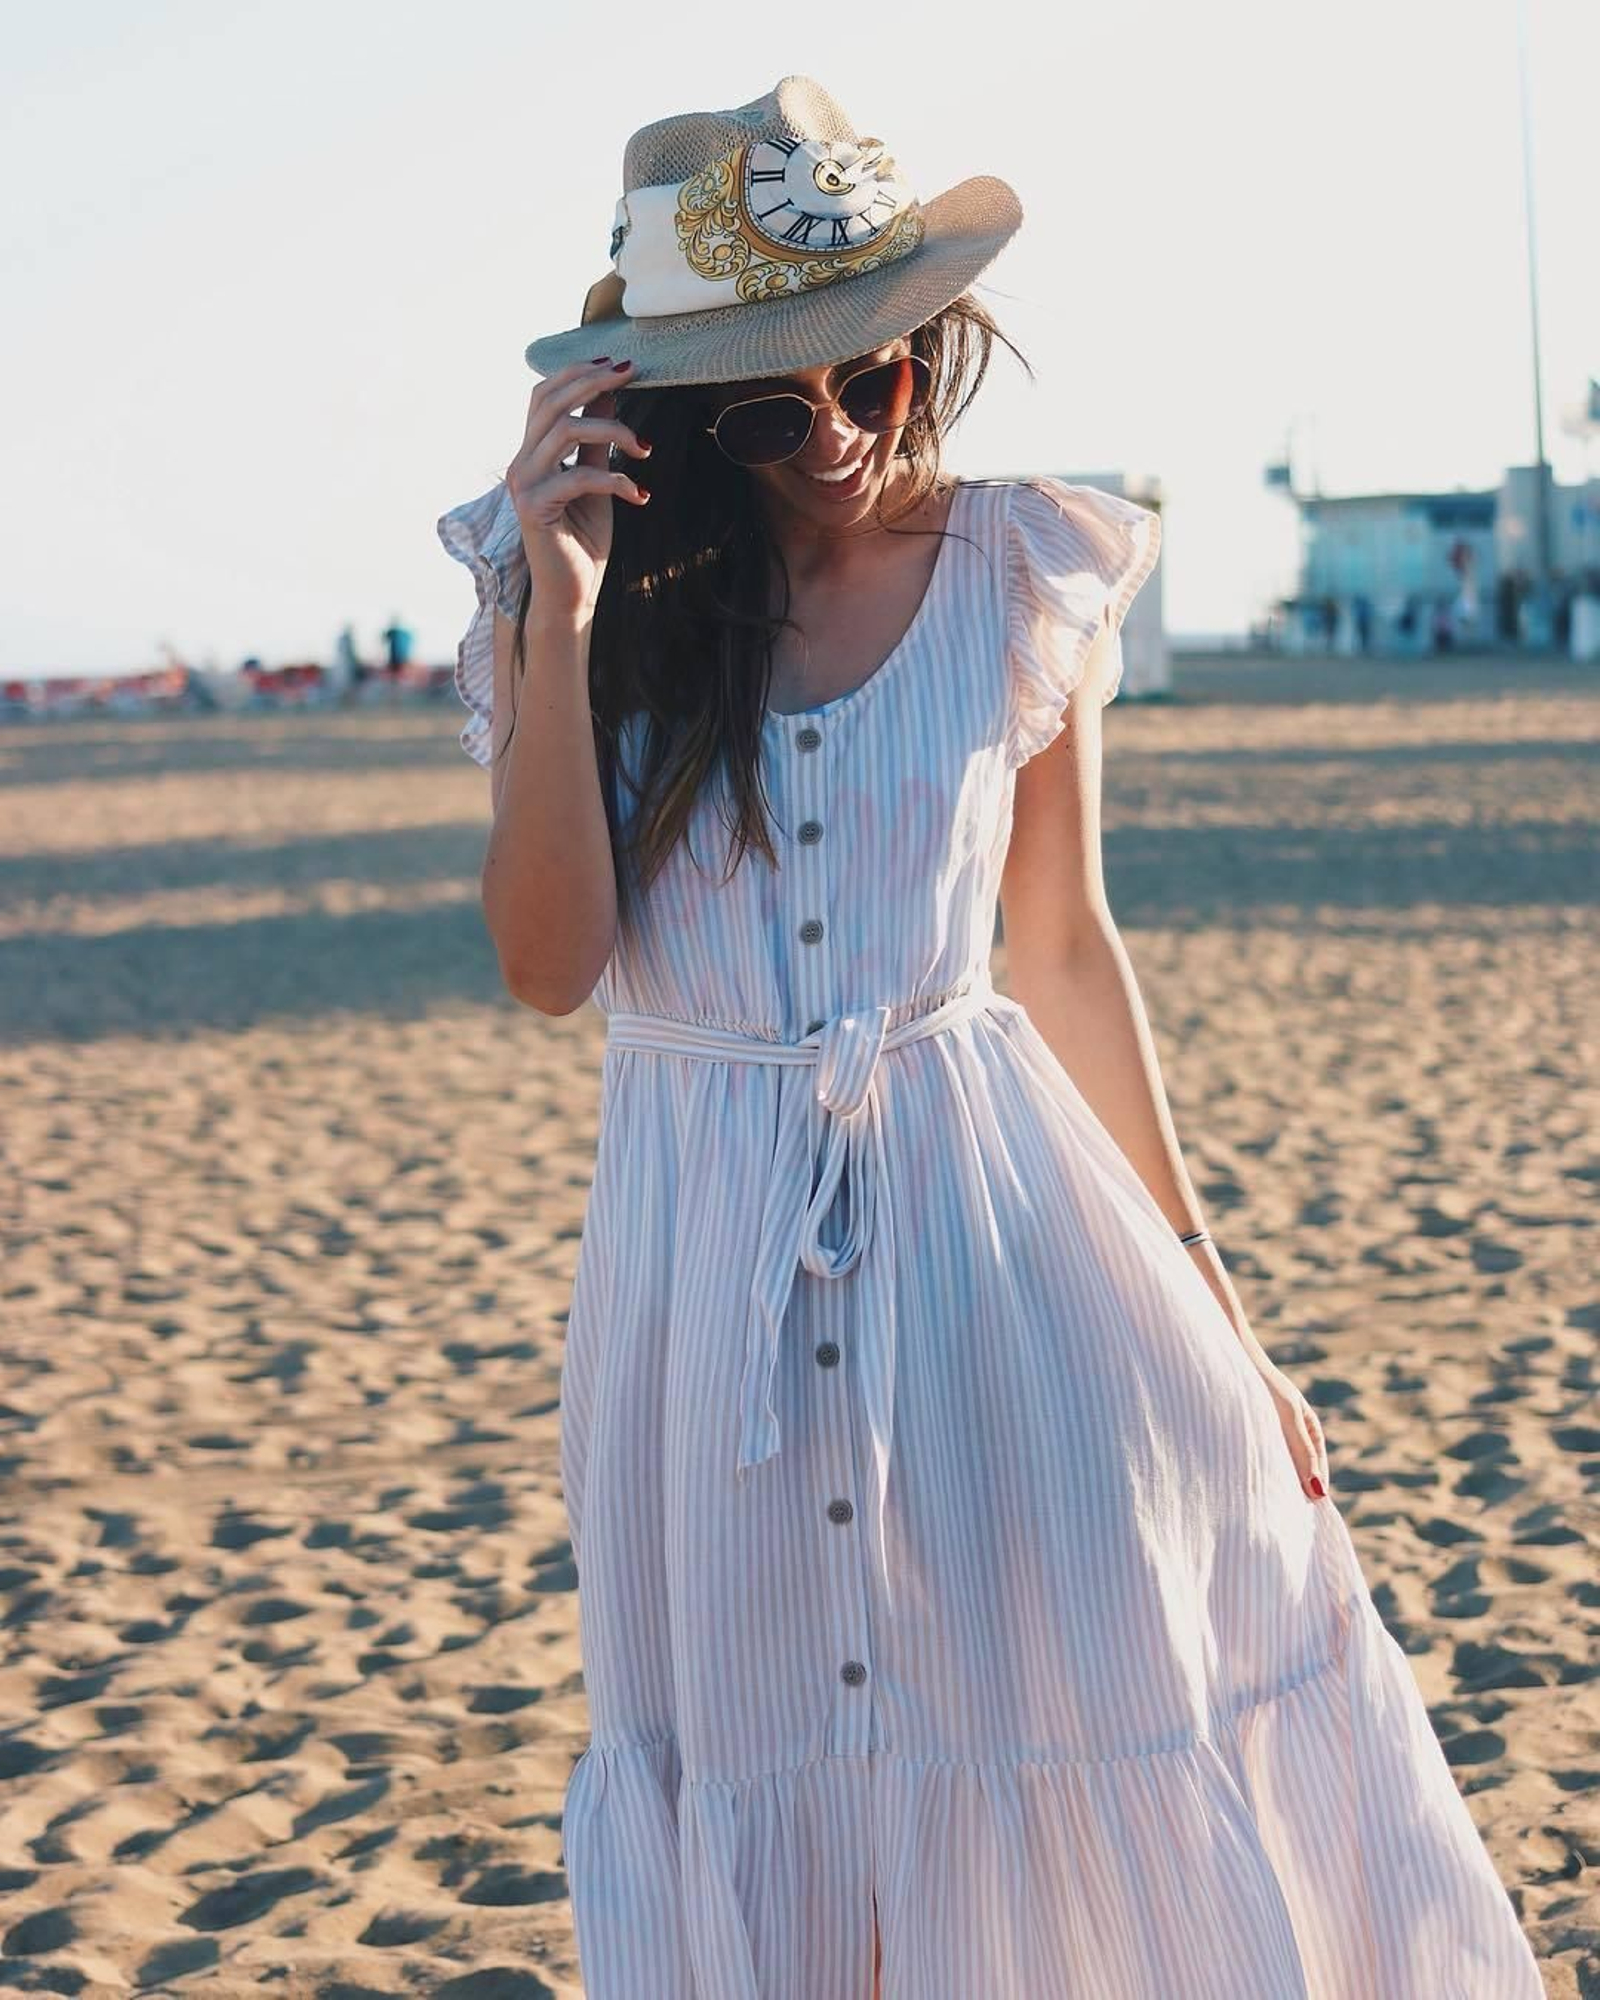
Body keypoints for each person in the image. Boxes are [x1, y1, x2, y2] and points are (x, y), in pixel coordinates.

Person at [436, 75, 1544, 2000]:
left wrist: (1222, 1310)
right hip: (703, 1283)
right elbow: (549, 966)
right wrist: (556, 616)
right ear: (686, 413)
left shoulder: (1023, 573)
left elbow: (1065, 947)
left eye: (888, 367)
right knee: (773, 1770)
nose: (856, 427)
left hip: (1000, 1247)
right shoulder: (592, 625)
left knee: (1076, 1713)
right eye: (792, 398)